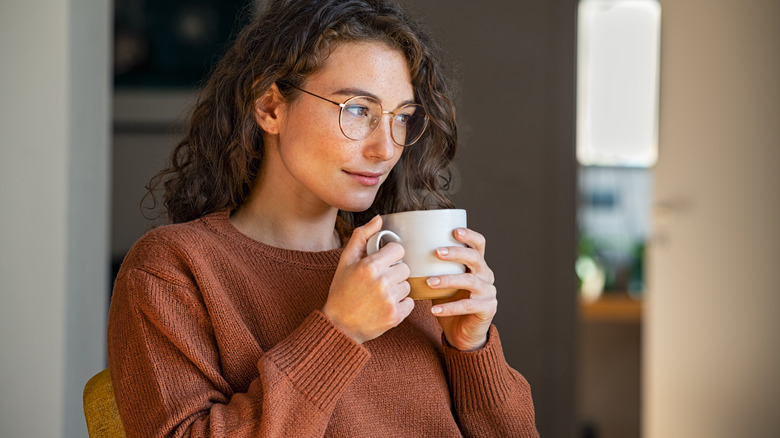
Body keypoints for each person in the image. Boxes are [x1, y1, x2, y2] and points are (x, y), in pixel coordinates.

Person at [107, 0, 539, 436]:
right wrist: (339, 332)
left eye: (402, 118)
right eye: (356, 109)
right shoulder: (173, 270)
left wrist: (472, 349)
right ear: (271, 108)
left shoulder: (408, 264)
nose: (385, 149)